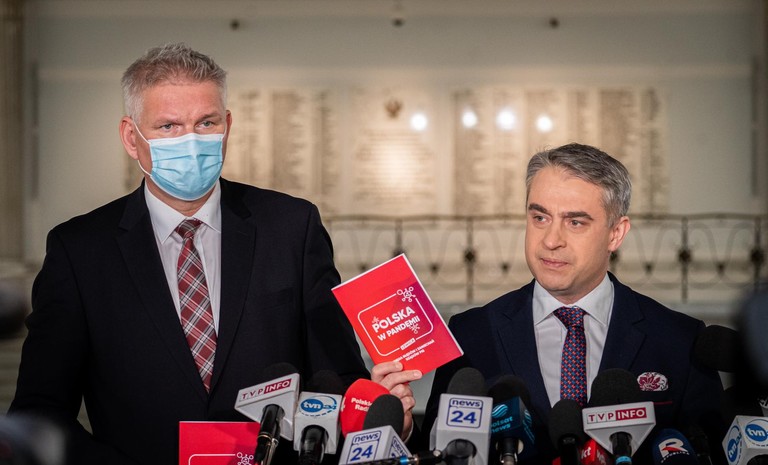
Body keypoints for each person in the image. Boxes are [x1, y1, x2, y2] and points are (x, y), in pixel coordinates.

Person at [9, 43, 420, 464]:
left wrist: (382, 419)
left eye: (205, 123)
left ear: (227, 125)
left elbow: (337, 377)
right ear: (132, 138)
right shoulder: (80, 251)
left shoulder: (291, 228)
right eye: (168, 126)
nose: (190, 141)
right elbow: (39, 414)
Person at [422, 143, 725, 463]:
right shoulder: (470, 334)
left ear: (616, 233)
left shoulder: (680, 340)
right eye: (540, 217)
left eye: (575, 222)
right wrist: (402, 431)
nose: (551, 240)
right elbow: (437, 452)